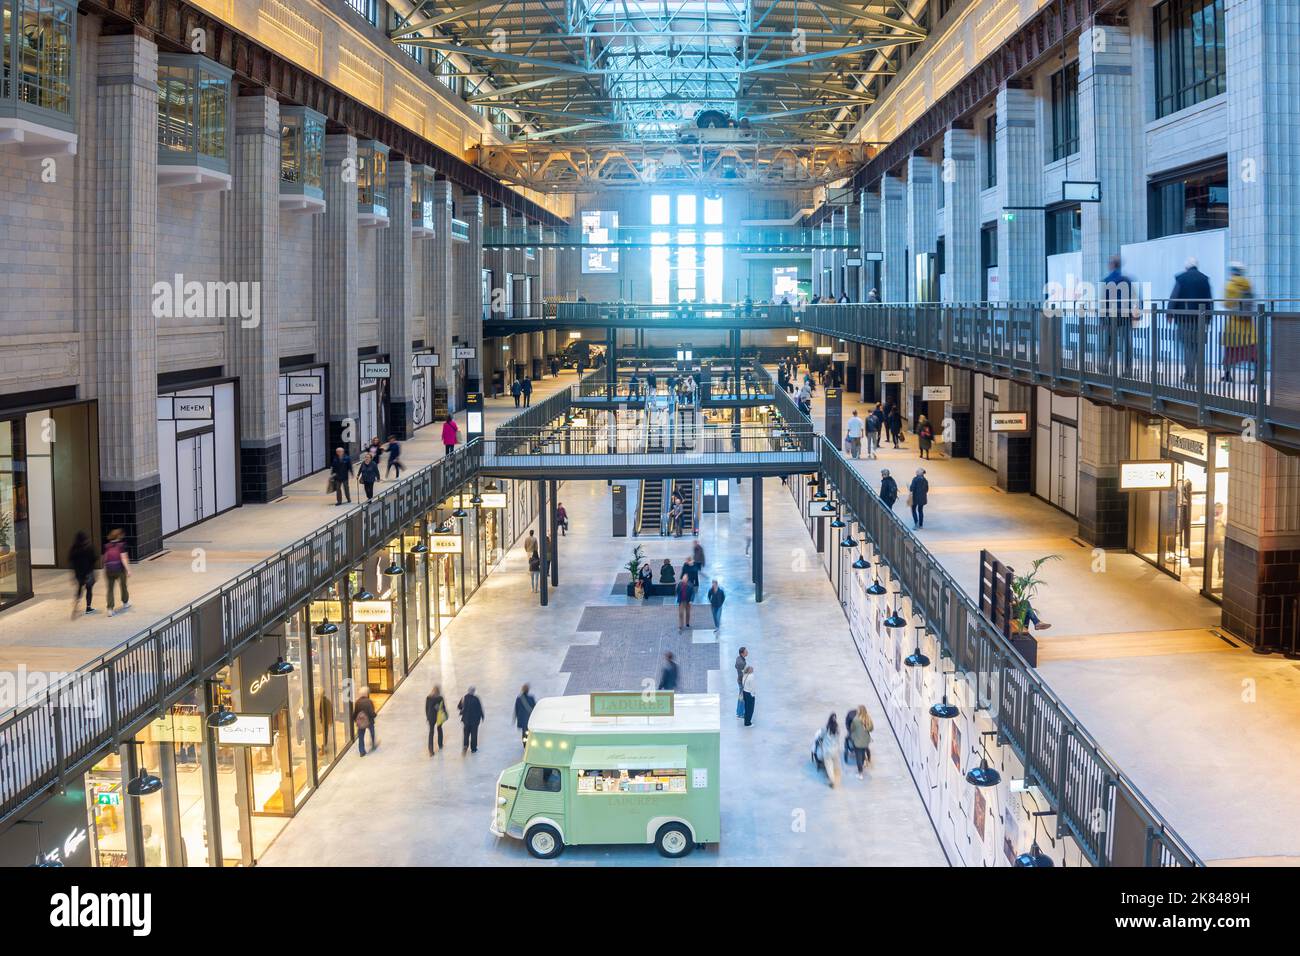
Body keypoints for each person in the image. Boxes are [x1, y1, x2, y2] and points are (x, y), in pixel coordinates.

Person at [1169, 257, 1212, 384]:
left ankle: (1189, 375)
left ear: (1186, 267)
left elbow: (1174, 297)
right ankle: (1198, 376)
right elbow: (1209, 300)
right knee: (1197, 347)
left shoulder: (1181, 278)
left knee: (1187, 347)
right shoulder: (1204, 279)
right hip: (1200, 319)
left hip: (1184, 319)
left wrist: (1169, 313)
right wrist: (1209, 318)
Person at [1101, 255, 1139, 376]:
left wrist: (1102, 319)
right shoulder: (1127, 280)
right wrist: (1136, 315)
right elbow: (1135, 298)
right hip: (1124, 316)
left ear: (1112, 265)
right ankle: (1127, 369)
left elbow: (1103, 302)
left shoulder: (1107, 280)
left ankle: (1106, 366)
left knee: (1109, 342)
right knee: (1126, 343)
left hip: (1111, 317)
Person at [1223, 262, 1256, 384]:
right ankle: (1256, 376)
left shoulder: (1230, 286)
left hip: (1234, 322)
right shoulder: (1248, 285)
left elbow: (1226, 303)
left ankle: (1227, 375)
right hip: (1247, 322)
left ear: (1232, 271)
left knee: (1231, 351)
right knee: (1253, 351)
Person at [68, 530, 97, 619]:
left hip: (78, 573)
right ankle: (88, 607)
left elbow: (70, 560)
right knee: (89, 589)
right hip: (88, 572)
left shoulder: (74, 548)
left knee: (80, 587)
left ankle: (77, 602)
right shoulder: (88, 548)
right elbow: (94, 559)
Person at [103, 529, 131, 617]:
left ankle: (110, 609)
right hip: (119, 570)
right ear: (119, 536)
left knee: (110, 589)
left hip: (109, 570)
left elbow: (104, 558)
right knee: (123, 586)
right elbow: (123, 558)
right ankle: (125, 602)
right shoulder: (121, 545)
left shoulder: (106, 546)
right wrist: (128, 569)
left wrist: (105, 568)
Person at [846, 705, 874, 779]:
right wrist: (865, 728)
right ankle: (866, 760)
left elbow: (851, 729)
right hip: (866, 741)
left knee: (858, 757)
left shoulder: (855, 720)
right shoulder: (868, 718)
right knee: (863, 751)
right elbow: (871, 728)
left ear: (859, 711)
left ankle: (860, 773)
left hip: (857, 742)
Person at [815, 713, 842, 788]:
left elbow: (821, 736)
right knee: (834, 761)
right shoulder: (838, 728)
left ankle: (832, 781)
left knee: (829, 766)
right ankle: (837, 772)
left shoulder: (826, 728)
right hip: (835, 749)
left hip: (827, 750)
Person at [458, 686, 485, 754]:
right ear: (473, 692)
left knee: (466, 734)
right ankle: (473, 749)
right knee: (474, 735)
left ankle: (465, 746)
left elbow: (459, 707)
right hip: (474, 721)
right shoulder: (476, 699)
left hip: (466, 720)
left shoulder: (463, 698)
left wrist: (463, 709)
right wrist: (482, 716)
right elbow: (480, 709)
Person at [352, 686, 378, 756]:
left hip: (361, 722)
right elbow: (371, 712)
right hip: (369, 721)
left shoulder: (357, 702)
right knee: (372, 732)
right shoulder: (369, 701)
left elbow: (355, 712)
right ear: (367, 694)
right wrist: (374, 715)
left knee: (361, 736)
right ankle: (373, 744)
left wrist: (355, 720)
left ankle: (362, 751)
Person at [425, 684, 448, 756]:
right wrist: (445, 714)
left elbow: (426, 708)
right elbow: (443, 708)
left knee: (431, 733)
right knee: (439, 729)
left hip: (431, 717)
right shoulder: (440, 698)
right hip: (438, 717)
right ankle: (440, 744)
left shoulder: (428, 698)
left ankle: (430, 750)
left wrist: (427, 717)